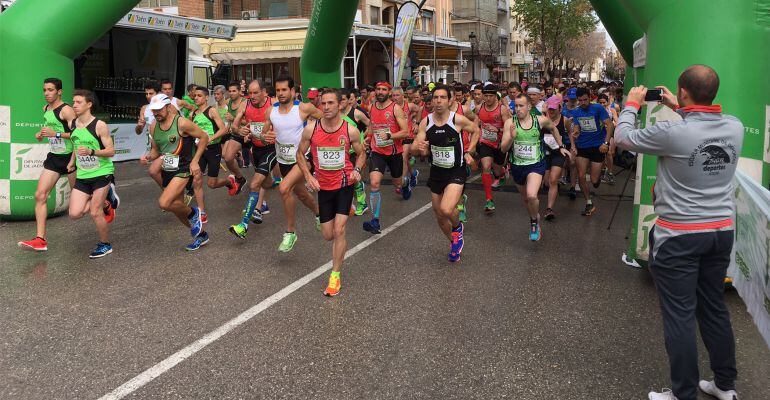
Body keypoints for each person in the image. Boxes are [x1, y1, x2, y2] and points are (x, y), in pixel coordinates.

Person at [615, 65, 743, 400]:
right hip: (720, 232)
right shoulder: (735, 127)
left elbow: (623, 138)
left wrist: (631, 104)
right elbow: (699, 127)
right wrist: (678, 107)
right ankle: (725, 385)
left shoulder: (673, 133)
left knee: (680, 316)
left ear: (683, 92)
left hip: (679, 237)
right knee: (713, 307)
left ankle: (683, 394)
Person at [297, 88, 366, 296]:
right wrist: (309, 176)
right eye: (323, 103)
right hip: (323, 186)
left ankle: (335, 276)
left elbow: (362, 154)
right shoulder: (311, 129)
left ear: (339, 105)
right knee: (327, 235)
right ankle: (345, 212)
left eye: (331, 103)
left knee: (339, 231)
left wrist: (356, 170)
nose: (326, 107)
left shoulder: (350, 130)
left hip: (344, 184)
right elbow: (299, 154)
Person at [413, 84, 479, 262]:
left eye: (443, 97)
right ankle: (454, 242)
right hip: (436, 172)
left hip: (455, 171)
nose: (439, 101)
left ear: (450, 101)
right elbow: (417, 148)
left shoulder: (457, 119)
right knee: (440, 216)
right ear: (432, 101)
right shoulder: (426, 122)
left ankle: (457, 227)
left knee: (446, 208)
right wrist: (421, 148)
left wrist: (469, 151)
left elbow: (476, 130)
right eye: (436, 98)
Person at [263, 75, 324, 252]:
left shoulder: (304, 108)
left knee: (284, 189)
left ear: (292, 91)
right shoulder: (271, 111)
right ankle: (320, 214)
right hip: (283, 160)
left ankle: (290, 232)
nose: (280, 93)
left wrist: (315, 135)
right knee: (303, 195)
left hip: (303, 158)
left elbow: (326, 120)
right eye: (278, 90)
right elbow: (264, 133)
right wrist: (263, 136)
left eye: (284, 90)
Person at [18, 78, 79, 251]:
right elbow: (50, 128)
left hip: (71, 157)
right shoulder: (46, 109)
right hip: (54, 157)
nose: (46, 93)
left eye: (50, 90)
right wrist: (41, 133)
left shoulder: (66, 110)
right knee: (40, 195)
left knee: (80, 201)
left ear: (59, 91)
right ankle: (40, 239)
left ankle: (106, 202)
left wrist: (56, 134)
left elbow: (78, 134)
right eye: (44, 90)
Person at [501, 94, 569, 241]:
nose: (517, 109)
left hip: (536, 164)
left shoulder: (540, 120)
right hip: (517, 166)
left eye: (521, 106)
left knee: (532, 195)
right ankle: (534, 216)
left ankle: (533, 222)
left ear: (529, 107)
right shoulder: (510, 123)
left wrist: (561, 146)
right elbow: (503, 149)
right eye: (515, 106)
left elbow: (554, 129)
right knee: (526, 199)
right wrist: (512, 137)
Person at [146, 94, 210, 250]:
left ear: (168, 107)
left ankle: (194, 213)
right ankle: (201, 235)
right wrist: (148, 156)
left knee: (164, 202)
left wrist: (195, 161)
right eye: (153, 110)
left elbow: (204, 137)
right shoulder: (153, 126)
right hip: (168, 169)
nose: (156, 113)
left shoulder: (181, 123)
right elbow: (155, 150)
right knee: (177, 207)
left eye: (159, 110)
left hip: (183, 168)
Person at [66, 90, 117, 258]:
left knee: (95, 212)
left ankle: (105, 244)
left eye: (78, 102)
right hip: (83, 175)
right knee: (74, 214)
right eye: (73, 102)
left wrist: (91, 151)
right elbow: (75, 143)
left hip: (102, 172)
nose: (74, 105)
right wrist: (72, 161)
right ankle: (106, 201)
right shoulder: (73, 124)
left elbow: (111, 151)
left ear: (89, 104)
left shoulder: (99, 125)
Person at [228, 80, 278, 239]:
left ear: (264, 92)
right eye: (250, 93)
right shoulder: (246, 105)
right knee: (266, 182)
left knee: (254, 183)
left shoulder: (274, 103)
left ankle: (243, 225)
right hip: (255, 149)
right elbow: (234, 126)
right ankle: (278, 181)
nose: (252, 96)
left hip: (271, 149)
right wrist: (241, 129)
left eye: (256, 92)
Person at [362, 81, 410, 234]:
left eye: (384, 89)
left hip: (394, 152)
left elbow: (405, 132)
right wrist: (367, 137)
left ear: (389, 92)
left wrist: (390, 135)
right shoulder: (372, 107)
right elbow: (372, 125)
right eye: (378, 89)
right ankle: (375, 221)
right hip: (377, 152)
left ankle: (405, 182)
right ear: (375, 91)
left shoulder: (396, 109)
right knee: (374, 183)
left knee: (397, 182)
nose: (380, 92)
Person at [189, 86, 237, 224]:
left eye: (199, 95)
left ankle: (229, 181)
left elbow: (224, 129)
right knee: (196, 180)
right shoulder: (193, 114)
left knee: (211, 184)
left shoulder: (212, 111)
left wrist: (209, 139)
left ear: (205, 98)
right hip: (200, 151)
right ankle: (202, 212)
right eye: (195, 96)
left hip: (213, 149)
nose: (196, 98)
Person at [570, 87, 614, 216]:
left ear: (590, 97)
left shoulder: (598, 108)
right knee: (581, 175)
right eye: (580, 100)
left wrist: (605, 143)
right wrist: (576, 132)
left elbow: (610, 125)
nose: (583, 102)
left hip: (598, 146)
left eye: (585, 100)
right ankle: (588, 203)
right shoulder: (577, 112)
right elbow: (577, 128)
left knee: (594, 181)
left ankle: (598, 177)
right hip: (582, 146)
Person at [476, 83, 511, 214]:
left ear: (496, 96)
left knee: (497, 169)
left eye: (491, 96)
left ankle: (502, 172)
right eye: (486, 96)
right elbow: (476, 124)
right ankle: (489, 200)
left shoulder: (502, 109)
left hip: (500, 143)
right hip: (485, 142)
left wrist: (497, 129)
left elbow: (508, 127)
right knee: (486, 167)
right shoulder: (479, 108)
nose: (488, 98)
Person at [340, 88, 371, 215]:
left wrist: (367, 138)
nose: (340, 102)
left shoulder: (356, 113)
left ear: (348, 100)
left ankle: (362, 203)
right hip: (342, 151)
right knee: (344, 179)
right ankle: (347, 202)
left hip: (356, 151)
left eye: (342, 99)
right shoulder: (335, 113)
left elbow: (371, 124)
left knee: (352, 178)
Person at [542, 96, 572, 220]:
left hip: (558, 152)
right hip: (544, 153)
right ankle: (551, 189)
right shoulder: (542, 119)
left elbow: (569, 133)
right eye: (550, 109)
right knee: (546, 182)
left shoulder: (564, 120)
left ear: (560, 108)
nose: (552, 111)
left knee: (553, 180)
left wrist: (573, 147)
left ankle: (549, 209)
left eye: (554, 109)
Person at [391, 87, 421, 190]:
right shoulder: (390, 107)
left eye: (397, 95)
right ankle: (413, 173)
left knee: (403, 158)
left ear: (403, 96)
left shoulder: (409, 106)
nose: (395, 98)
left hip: (407, 135)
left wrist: (416, 122)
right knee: (405, 160)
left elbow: (420, 109)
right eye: (393, 95)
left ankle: (403, 181)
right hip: (396, 136)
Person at [222, 81, 248, 193]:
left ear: (239, 91)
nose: (231, 93)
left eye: (234, 91)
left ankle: (269, 182)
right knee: (227, 158)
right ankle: (240, 178)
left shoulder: (245, 102)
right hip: (235, 135)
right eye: (230, 91)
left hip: (247, 134)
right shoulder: (229, 102)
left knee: (255, 163)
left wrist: (233, 119)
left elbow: (249, 121)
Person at [598, 93, 619, 185]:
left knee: (610, 153)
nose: (602, 104)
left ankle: (610, 172)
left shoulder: (612, 110)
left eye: (604, 102)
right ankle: (602, 170)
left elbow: (617, 121)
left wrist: (613, 124)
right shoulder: (595, 110)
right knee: (601, 153)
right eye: (600, 102)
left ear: (607, 102)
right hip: (599, 135)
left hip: (609, 134)